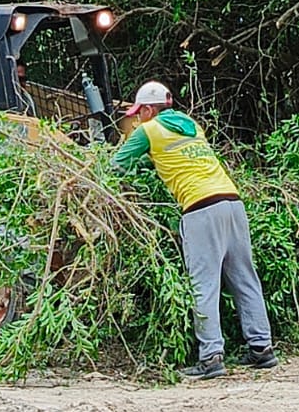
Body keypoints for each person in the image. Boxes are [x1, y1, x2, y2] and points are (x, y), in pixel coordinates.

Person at [113, 80, 277, 379]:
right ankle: (262, 348)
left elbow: (116, 166)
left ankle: (211, 357)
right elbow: (174, 159)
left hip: (201, 209)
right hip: (232, 203)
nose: (137, 119)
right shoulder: (192, 126)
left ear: (148, 110)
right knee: (245, 278)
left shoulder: (148, 131)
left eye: (139, 113)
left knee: (204, 284)